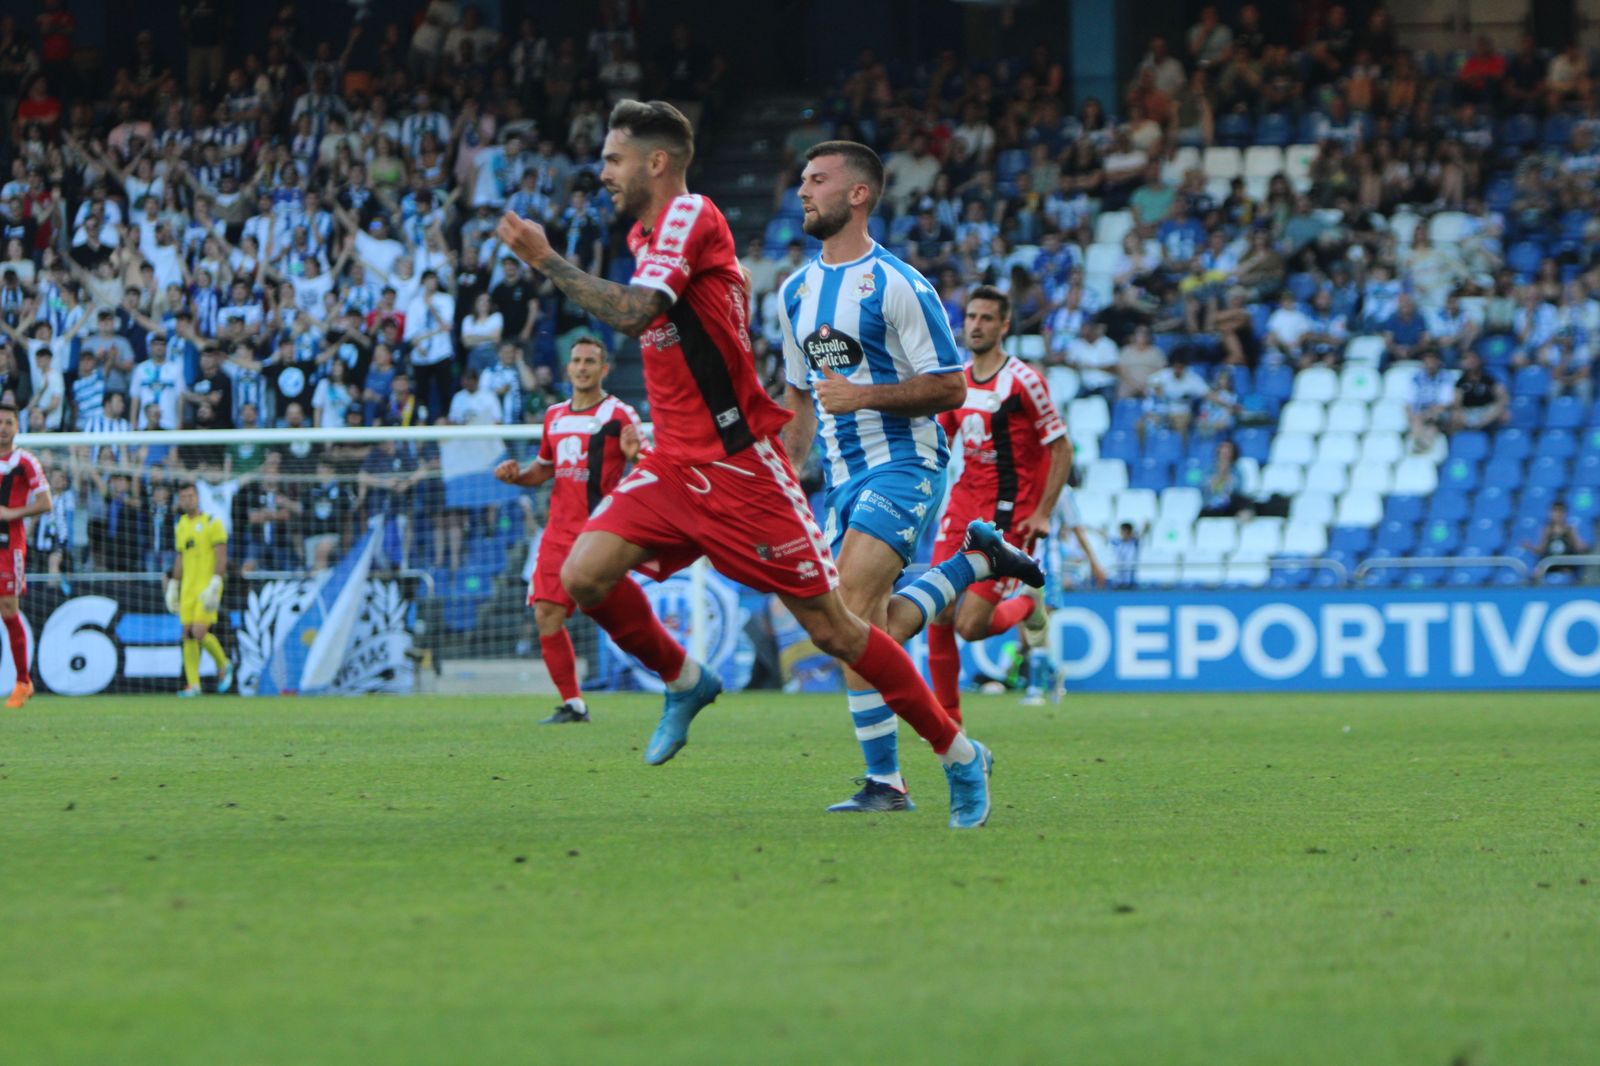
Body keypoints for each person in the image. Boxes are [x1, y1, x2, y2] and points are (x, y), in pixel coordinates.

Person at [495, 101, 995, 827]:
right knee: (582, 575)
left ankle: (956, 754)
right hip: (675, 461)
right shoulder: (715, 260)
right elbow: (790, 392)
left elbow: (636, 315)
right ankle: (685, 680)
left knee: (843, 631)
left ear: (656, 162)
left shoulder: (694, 216)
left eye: (612, 158)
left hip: (749, 465)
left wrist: (544, 258)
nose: (600, 171)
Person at [777, 143, 1041, 814]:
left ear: (859, 195)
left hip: (905, 465)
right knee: (860, 632)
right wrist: (781, 477)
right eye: (802, 180)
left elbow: (952, 386)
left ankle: (925, 767)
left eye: (818, 180)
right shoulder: (795, 292)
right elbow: (800, 399)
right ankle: (974, 563)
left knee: (847, 617)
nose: (802, 191)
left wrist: (862, 398)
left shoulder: (897, 284)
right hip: (840, 478)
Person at [921, 286, 1070, 718]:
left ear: (1004, 326)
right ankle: (949, 720)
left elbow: (1061, 449)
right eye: (971, 317)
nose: (976, 325)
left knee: (970, 627)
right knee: (939, 609)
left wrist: (1042, 512)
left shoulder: (1025, 382)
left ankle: (1027, 603)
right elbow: (939, 442)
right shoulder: (957, 382)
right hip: (963, 508)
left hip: (1010, 517)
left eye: (987, 318)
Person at [494, 337, 643, 724]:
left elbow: (647, 461)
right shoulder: (554, 415)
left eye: (590, 361)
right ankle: (573, 704)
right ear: (568, 368)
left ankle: (671, 676)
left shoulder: (619, 414)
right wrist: (517, 477)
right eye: (576, 361)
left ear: (604, 369)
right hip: (558, 533)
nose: (582, 367)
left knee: (619, 620)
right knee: (546, 614)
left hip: (600, 534)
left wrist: (635, 457)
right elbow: (543, 469)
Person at [0, 401, 50, 707]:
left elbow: (46, 503)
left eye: (8, 423)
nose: (3, 429)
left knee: (8, 608)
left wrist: (10, 512)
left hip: (9, 545)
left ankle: (23, 681)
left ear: (17, 427)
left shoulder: (25, 461)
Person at [167, 481, 234, 697]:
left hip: (207, 587)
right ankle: (194, 685)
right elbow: (180, 557)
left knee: (198, 631)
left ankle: (224, 663)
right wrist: (173, 585)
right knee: (187, 634)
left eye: (191, 496)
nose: (187, 500)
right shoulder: (181, 525)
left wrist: (216, 582)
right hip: (187, 588)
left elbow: (222, 555)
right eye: (183, 497)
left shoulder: (213, 522)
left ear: (198, 497)